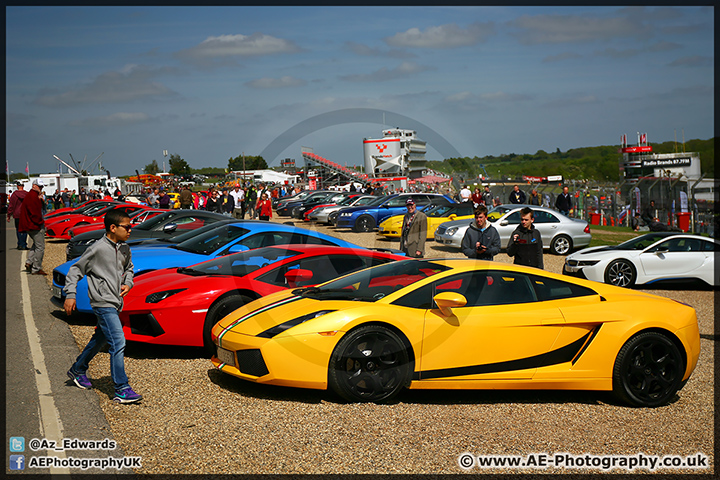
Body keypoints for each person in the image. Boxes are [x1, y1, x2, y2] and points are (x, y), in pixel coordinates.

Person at [65, 209, 142, 404]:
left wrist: (128, 283)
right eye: (127, 226)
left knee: (100, 339)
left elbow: (129, 268)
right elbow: (75, 269)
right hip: (102, 302)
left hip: (116, 301)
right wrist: (71, 294)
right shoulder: (97, 248)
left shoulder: (125, 248)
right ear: (113, 228)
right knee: (118, 341)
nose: (130, 230)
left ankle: (78, 369)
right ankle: (121, 388)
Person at [19, 179, 48, 275]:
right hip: (34, 225)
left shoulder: (32, 195)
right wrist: (40, 223)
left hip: (29, 225)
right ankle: (36, 268)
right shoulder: (33, 197)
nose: (41, 188)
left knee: (36, 244)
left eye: (42, 187)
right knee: (40, 247)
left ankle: (29, 262)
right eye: (39, 186)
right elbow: (35, 213)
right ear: (34, 186)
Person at [7, 182, 28, 250]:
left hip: (17, 214)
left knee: (18, 230)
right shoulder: (26, 194)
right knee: (25, 230)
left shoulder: (14, 194)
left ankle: (20, 244)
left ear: (17, 186)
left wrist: (9, 215)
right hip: (25, 214)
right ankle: (24, 244)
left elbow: (11, 206)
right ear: (23, 186)